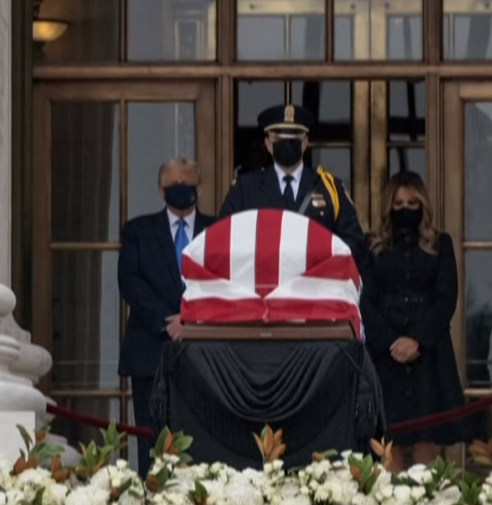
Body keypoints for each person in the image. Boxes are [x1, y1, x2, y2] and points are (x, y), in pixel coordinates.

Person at [360, 172, 471, 472]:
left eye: (412, 202)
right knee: (388, 441)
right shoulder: (371, 245)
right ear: (388, 206)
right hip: (385, 355)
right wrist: (391, 342)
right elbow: (364, 299)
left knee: (425, 441)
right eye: (398, 203)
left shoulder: (440, 243)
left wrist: (417, 339)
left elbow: (446, 297)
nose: (405, 208)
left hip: (429, 354)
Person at [117, 158, 216, 475]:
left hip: (206, 354)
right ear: (161, 191)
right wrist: (169, 321)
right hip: (150, 350)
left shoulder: (218, 231)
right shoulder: (138, 231)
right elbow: (130, 282)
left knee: (203, 442)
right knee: (152, 442)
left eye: (188, 184)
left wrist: (192, 320)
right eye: (174, 186)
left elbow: (227, 282)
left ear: (200, 188)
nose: (182, 191)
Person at [219, 104, 366, 262]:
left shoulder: (330, 188)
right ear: (269, 144)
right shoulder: (245, 188)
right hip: (264, 282)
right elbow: (222, 239)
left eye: (294, 139)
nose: (287, 143)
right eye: (280, 138)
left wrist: (322, 255)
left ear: (304, 143)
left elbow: (354, 242)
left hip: (315, 282)